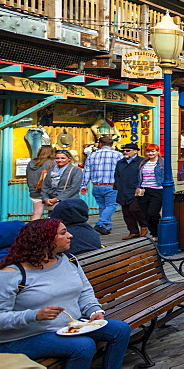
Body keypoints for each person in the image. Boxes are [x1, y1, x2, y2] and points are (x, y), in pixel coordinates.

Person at [0, 218, 131, 368]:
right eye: (63, 233)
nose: (70, 235)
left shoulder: (68, 259)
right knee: (83, 345)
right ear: (44, 239)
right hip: (25, 337)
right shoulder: (12, 274)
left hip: (67, 327)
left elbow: (85, 290)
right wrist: (35, 315)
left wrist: (94, 310)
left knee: (120, 330)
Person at [79, 136, 120, 235]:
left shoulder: (92, 156)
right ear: (112, 144)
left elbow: (86, 171)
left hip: (96, 185)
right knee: (112, 205)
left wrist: (84, 185)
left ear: (100, 144)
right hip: (111, 184)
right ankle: (101, 223)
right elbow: (122, 171)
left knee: (102, 206)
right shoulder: (118, 155)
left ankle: (106, 226)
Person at [112, 143, 148, 240]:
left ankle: (144, 226)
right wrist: (119, 187)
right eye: (123, 150)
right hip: (123, 191)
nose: (125, 152)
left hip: (136, 190)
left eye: (128, 150)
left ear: (135, 151)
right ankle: (133, 231)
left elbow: (144, 176)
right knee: (126, 213)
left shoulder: (142, 161)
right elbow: (117, 176)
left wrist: (140, 187)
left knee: (135, 209)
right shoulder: (120, 162)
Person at [135, 145, 165, 240]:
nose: (150, 153)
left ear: (157, 152)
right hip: (144, 190)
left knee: (153, 213)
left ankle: (160, 232)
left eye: (153, 151)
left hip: (157, 190)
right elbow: (139, 177)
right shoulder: (144, 162)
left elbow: (168, 177)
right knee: (145, 214)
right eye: (148, 152)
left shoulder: (162, 163)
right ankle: (154, 234)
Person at [25, 145, 55, 221]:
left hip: (34, 192)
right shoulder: (51, 163)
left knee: (36, 214)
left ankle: (32, 231)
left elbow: (28, 177)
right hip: (48, 193)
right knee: (53, 215)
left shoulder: (31, 163)